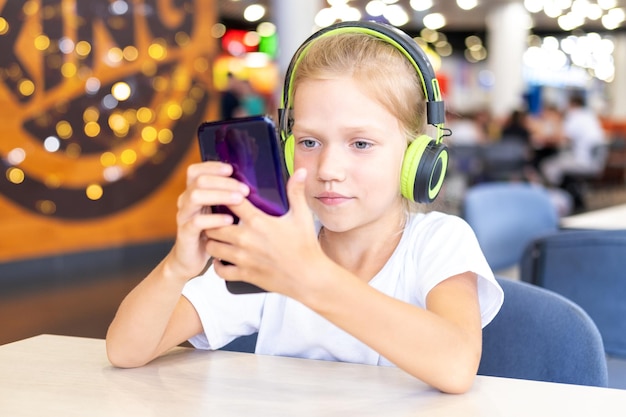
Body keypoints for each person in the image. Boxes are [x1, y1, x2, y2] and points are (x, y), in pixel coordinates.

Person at [106, 22, 503, 395]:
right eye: (310, 142)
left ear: (418, 157)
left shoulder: (438, 241)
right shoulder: (273, 247)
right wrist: (178, 265)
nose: (328, 170)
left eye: (360, 143)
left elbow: (455, 365)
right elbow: (126, 351)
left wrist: (308, 276)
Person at [539, 94, 606, 188]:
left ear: (572, 104)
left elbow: (562, 138)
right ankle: (570, 190)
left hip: (582, 160)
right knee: (562, 157)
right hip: (594, 162)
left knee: (548, 166)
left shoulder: (575, 116)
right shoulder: (589, 116)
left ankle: (559, 196)